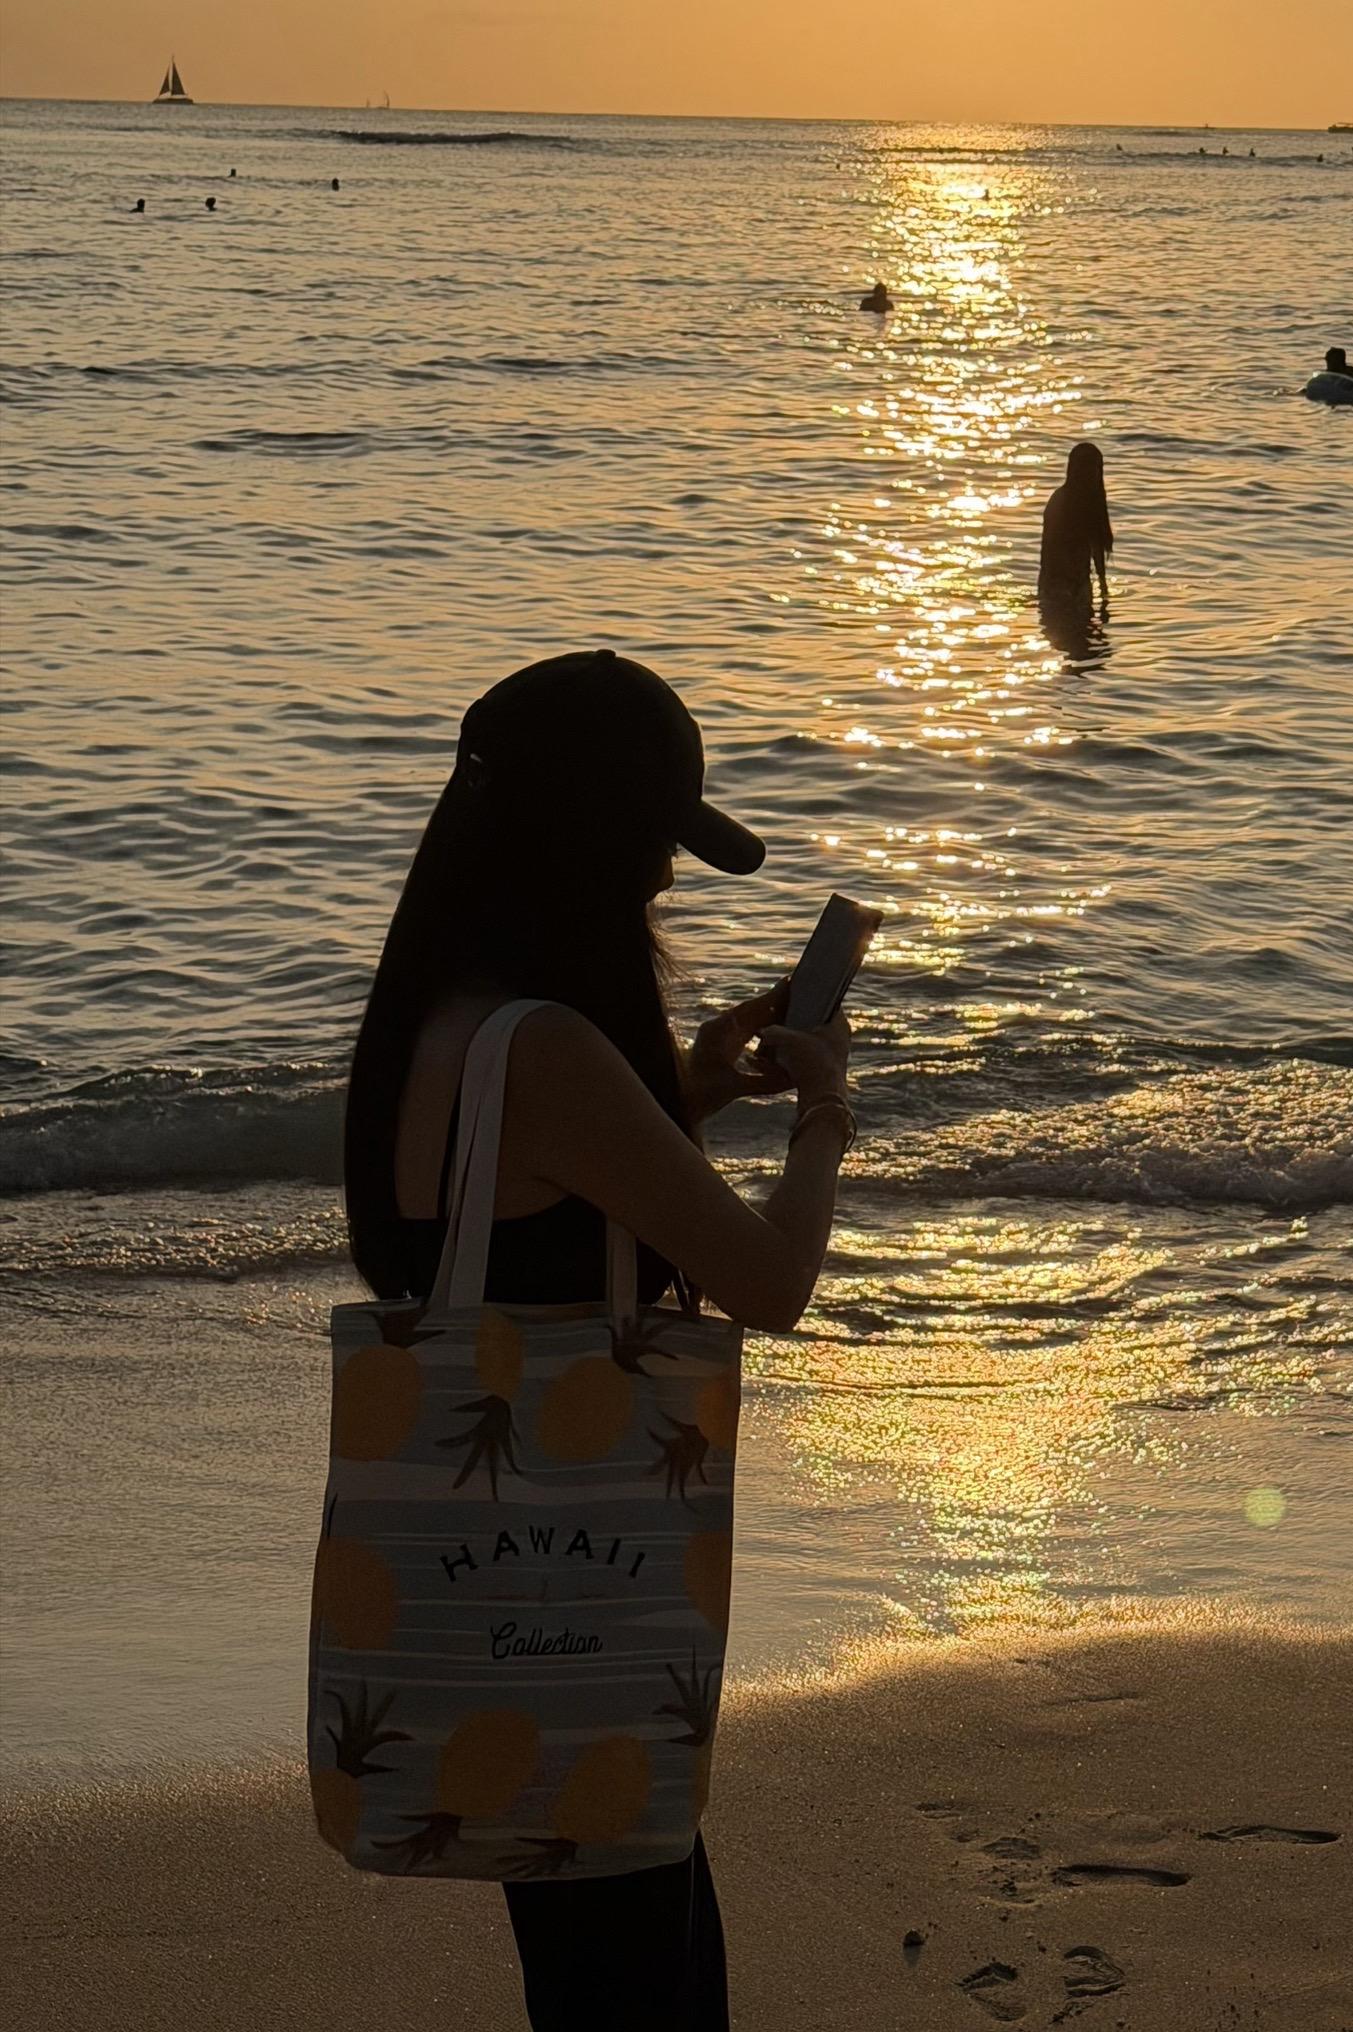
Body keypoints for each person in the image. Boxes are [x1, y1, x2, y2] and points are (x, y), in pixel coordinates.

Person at [341, 649, 856, 2032]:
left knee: (587, 1972)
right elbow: (766, 1281)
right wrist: (825, 1115)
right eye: (652, 843)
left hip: (496, 1602)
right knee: (644, 1980)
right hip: (582, 1592)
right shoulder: (556, 1051)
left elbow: (512, 1195)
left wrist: (682, 1089)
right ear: (586, 839)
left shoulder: (435, 1021)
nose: (666, 881)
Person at [1038, 440, 1112, 614]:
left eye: (1095, 468)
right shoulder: (1060, 501)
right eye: (1087, 468)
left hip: (1080, 585)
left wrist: (1103, 589)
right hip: (1057, 585)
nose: (1092, 474)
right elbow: (1048, 550)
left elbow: (1097, 546)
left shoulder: (1093, 503)